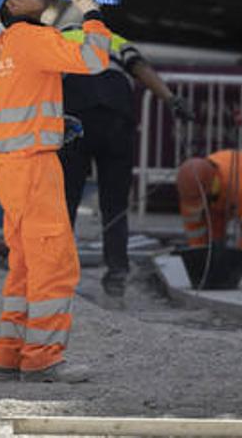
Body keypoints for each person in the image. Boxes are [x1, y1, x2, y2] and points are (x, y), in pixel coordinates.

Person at [0, 0, 113, 383]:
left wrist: (49, 120)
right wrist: (91, 11)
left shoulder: (4, 48)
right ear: (12, 6)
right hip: (35, 167)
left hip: (12, 169)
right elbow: (95, 58)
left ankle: (9, 354)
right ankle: (43, 359)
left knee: (24, 267)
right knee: (53, 264)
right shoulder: (35, 39)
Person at [57, 25, 194, 299]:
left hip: (75, 116)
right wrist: (171, 99)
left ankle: (59, 276)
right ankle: (116, 274)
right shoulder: (113, 39)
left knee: (65, 203)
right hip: (117, 118)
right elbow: (141, 68)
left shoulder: (57, 37)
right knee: (115, 204)